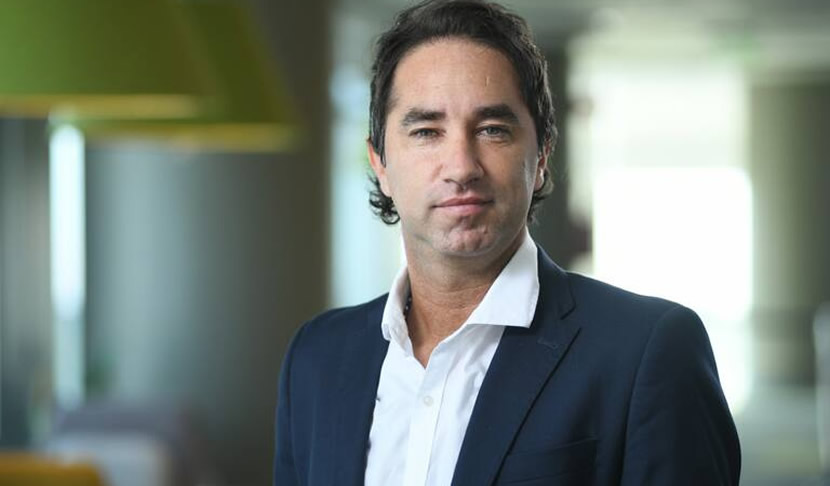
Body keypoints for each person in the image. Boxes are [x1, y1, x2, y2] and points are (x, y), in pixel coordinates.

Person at [274, 0, 741, 484]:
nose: (461, 167)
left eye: (492, 130)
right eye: (427, 131)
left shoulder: (647, 350)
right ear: (381, 164)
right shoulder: (317, 356)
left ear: (541, 157)